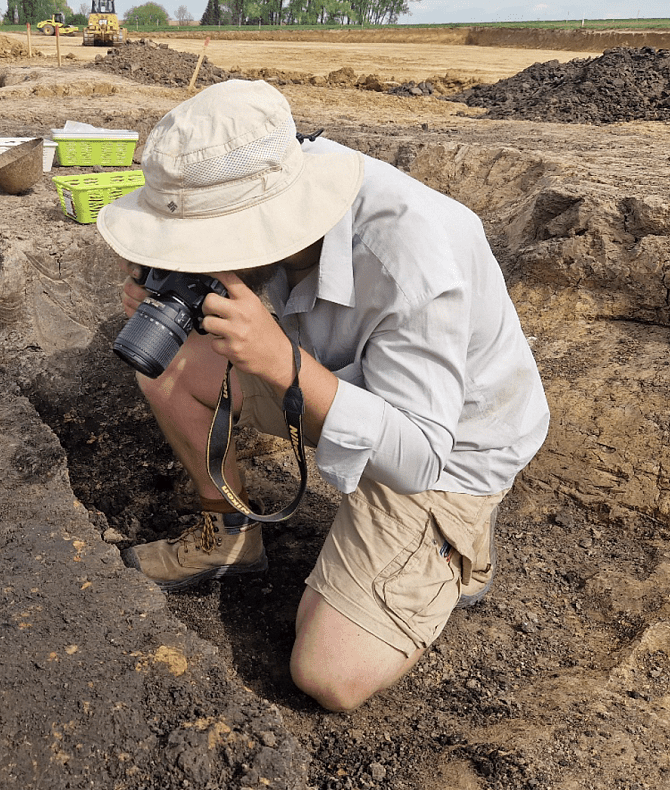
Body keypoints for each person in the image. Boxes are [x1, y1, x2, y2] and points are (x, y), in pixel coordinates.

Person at [95, 80, 550, 712]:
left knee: (328, 672)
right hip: (332, 381)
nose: (198, 260)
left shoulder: (410, 260)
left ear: (265, 223)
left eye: (203, 247)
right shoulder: (271, 182)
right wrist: (168, 298)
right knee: (164, 362)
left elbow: (421, 453)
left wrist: (284, 365)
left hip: (449, 448)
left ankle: (455, 544)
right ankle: (227, 531)